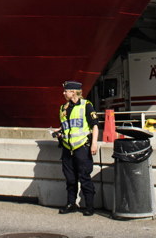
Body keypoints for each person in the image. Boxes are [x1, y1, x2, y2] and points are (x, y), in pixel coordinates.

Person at [50, 80, 99, 216]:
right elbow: (66, 126)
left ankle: (89, 206)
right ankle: (71, 203)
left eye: (66, 91)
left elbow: (94, 125)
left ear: (73, 92)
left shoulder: (86, 106)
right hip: (67, 148)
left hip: (82, 147)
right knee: (70, 179)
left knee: (84, 178)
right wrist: (59, 132)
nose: (63, 93)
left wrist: (94, 143)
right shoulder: (63, 108)